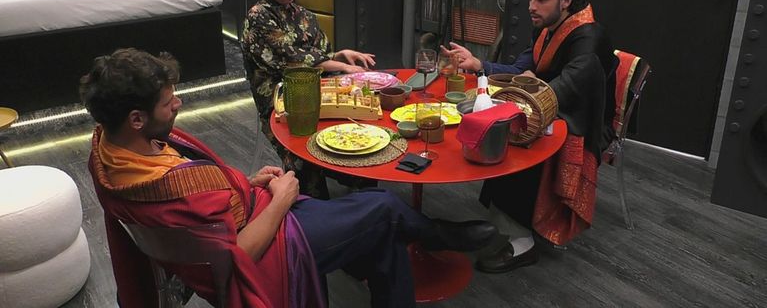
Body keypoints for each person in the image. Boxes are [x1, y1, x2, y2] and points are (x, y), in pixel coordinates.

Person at [82, 48, 497, 308]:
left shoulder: (110, 155)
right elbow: (236, 255)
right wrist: (282, 197)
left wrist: (245, 184)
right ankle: (434, 234)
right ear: (136, 119)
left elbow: (203, 216)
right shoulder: (169, 188)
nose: (177, 104)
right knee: (384, 208)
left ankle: (420, 243)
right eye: (167, 102)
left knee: (381, 233)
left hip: (250, 210)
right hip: (270, 249)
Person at [442, 0, 617, 273]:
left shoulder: (588, 39)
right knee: (503, 126)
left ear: (566, 0)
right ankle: (509, 221)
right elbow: (520, 70)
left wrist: (522, 100)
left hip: (580, 122)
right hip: (555, 107)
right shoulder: (548, 27)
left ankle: (523, 243)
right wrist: (479, 65)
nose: (532, 7)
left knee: (515, 142)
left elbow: (565, 90)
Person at [241, 0, 376, 197]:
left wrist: (341, 54)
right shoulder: (258, 16)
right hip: (279, 98)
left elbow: (319, 53)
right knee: (303, 149)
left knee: (355, 128)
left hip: (315, 89)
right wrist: (340, 65)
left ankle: (363, 196)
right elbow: (291, 61)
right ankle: (312, 208)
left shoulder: (302, 14)